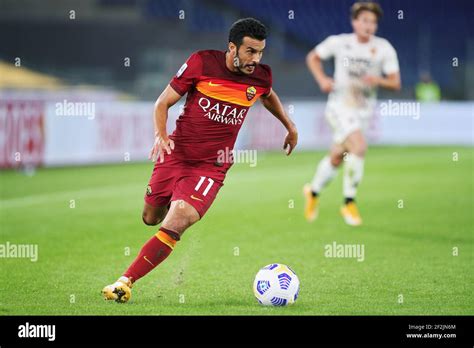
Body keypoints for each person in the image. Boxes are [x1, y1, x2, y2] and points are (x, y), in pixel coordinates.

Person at [102, 18, 298, 302]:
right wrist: (161, 135)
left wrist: (289, 125)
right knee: (150, 218)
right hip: (177, 154)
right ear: (232, 48)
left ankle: (124, 282)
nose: (256, 59)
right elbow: (163, 102)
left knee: (178, 219)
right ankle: (178, 198)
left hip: (212, 166)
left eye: (261, 52)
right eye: (250, 52)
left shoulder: (260, 76)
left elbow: (267, 95)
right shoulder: (202, 63)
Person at [303, 2, 401, 226]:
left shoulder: (383, 48)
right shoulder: (340, 43)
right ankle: (348, 202)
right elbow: (313, 57)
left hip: (364, 111)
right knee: (359, 147)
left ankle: (313, 192)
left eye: (373, 22)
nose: (369, 25)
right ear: (355, 22)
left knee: (338, 156)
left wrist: (378, 80)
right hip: (339, 106)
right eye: (364, 20)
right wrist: (322, 80)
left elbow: (395, 82)